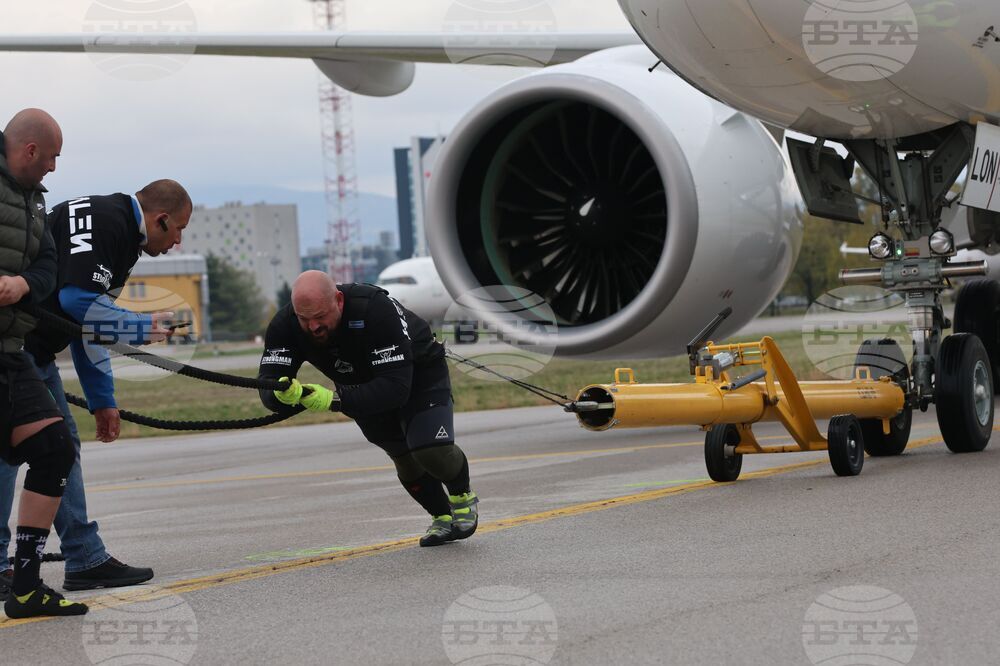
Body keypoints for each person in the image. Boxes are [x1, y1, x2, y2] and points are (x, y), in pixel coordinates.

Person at [0, 179, 191, 595]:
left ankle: (85, 558)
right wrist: (138, 326)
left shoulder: (116, 228)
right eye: (179, 229)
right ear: (161, 219)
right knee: (10, 451)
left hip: (34, 351)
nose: (178, 241)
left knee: (61, 445)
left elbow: (86, 323)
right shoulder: (109, 224)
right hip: (15, 349)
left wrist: (103, 399)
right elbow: (78, 302)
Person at [258, 271, 479, 546]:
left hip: (417, 374)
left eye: (320, 316)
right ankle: (441, 516)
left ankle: (461, 496)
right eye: (304, 319)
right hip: (358, 384)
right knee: (404, 457)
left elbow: (396, 389)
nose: (313, 326)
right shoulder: (285, 325)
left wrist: (333, 400)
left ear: (339, 301)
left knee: (428, 449)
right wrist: (283, 393)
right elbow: (267, 387)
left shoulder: (373, 308)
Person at [0, 108, 87, 617]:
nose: (54, 167)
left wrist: (22, 285)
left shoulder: (35, 200)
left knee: (54, 450)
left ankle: (27, 588)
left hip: (10, 351)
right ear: (30, 150)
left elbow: (49, 266)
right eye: (52, 157)